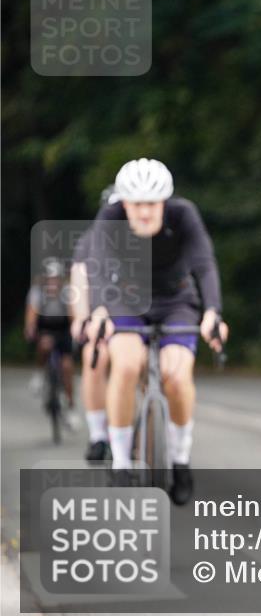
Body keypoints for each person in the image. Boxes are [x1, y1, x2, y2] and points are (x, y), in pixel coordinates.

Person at [85, 159, 228, 504]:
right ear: (124, 203)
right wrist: (99, 309)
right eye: (136, 204)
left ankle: (180, 459)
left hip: (175, 298)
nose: (144, 212)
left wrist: (212, 311)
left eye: (152, 204)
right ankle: (120, 463)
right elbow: (99, 266)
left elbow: (204, 263)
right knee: (128, 364)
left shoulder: (184, 215)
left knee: (177, 378)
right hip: (126, 301)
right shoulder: (110, 217)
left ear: (165, 202)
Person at [69, 186, 119, 463]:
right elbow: (79, 279)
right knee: (93, 358)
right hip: (99, 312)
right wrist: (80, 319)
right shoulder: (90, 240)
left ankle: (151, 425)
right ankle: (98, 434)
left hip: (135, 312)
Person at [24, 257, 80, 429]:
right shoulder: (37, 291)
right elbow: (32, 313)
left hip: (62, 328)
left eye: (56, 279)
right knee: (44, 345)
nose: (53, 283)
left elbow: (73, 315)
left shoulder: (68, 291)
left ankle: (70, 407)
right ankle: (41, 374)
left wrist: (76, 330)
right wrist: (31, 328)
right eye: (50, 279)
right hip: (45, 327)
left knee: (67, 367)